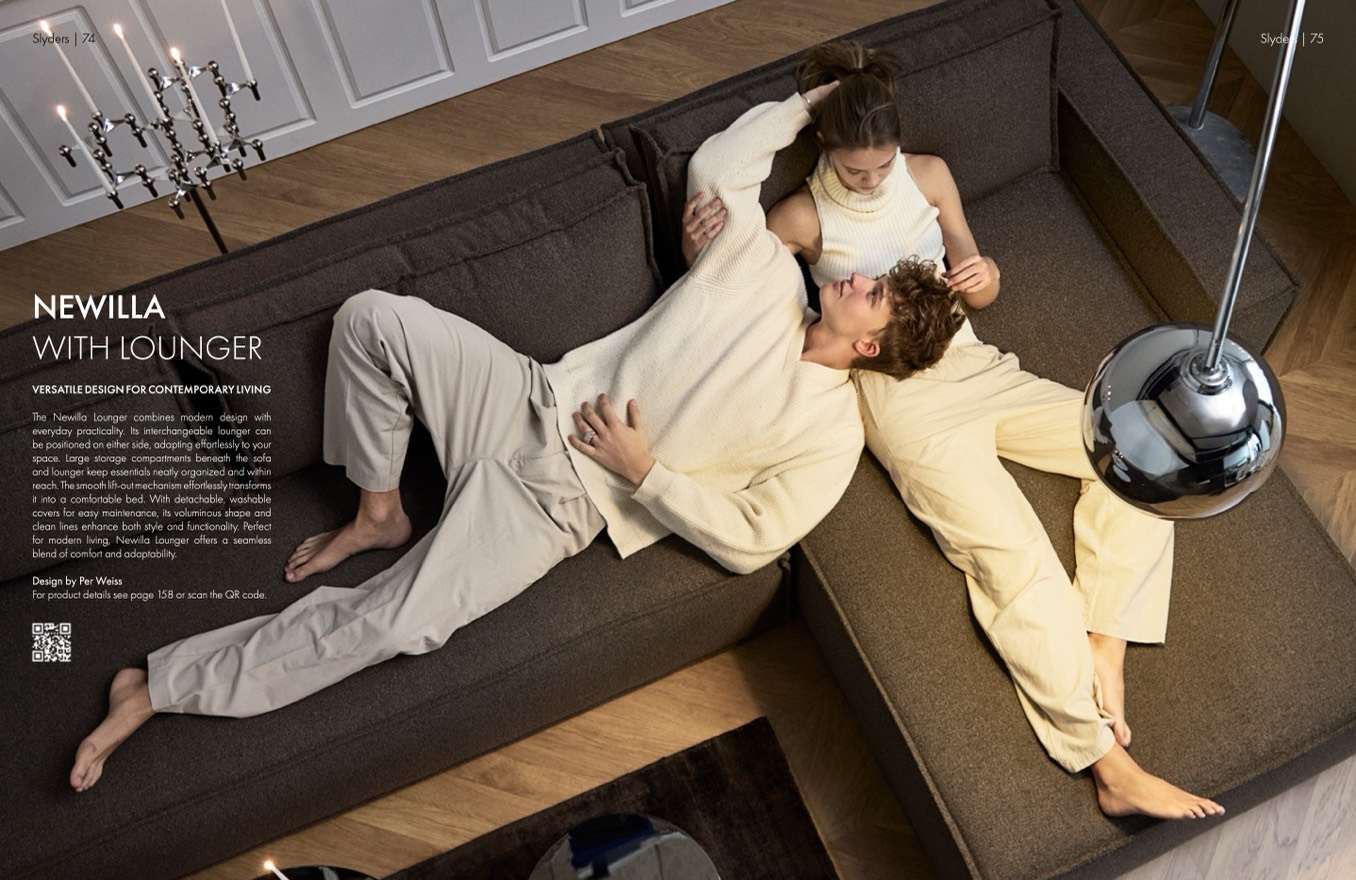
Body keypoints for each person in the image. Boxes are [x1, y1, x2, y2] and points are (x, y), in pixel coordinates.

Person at [69, 82, 950, 793]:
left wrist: (646, 474)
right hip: (527, 394)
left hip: (556, 505)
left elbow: (757, 536)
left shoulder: (829, 434)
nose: (854, 275)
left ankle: (159, 686)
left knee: (393, 622)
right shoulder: (763, 269)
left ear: (872, 345)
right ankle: (379, 511)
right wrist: (810, 103)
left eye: (872, 291)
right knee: (372, 319)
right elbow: (720, 164)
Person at [684, 41, 1223, 821]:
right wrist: (698, 245)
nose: (872, 180)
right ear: (823, 143)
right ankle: (1107, 762)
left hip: (972, 359)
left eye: (882, 164)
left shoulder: (928, 176)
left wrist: (983, 273)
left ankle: (1106, 637)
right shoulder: (800, 216)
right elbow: (736, 287)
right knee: (1012, 556)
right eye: (856, 170)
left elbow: (979, 277)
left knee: (1136, 445)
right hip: (898, 398)